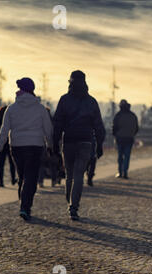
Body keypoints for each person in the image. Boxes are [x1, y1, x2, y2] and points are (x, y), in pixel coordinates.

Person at [0, 77, 53, 221]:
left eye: (20, 88)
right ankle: (25, 207)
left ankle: (23, 205)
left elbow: (4, 130)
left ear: (22, 90)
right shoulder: (40, 108)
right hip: (35, 146)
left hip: (17, 147)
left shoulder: (11, 109)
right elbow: (48, 130)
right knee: (31, 178)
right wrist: (50, 146)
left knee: (22, 177)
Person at [53, 70, 106, 221]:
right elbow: (98, 126)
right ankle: (73, 206)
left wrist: (55, 144)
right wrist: (100, 145)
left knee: (69, 174)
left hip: (68, 140)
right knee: (78, 175)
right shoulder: (91, 101)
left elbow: (57, 123)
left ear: (70, 82)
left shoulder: (64, 100)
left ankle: (69, 202)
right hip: (85, 141)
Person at [112, 99, 139, 179]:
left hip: (120, 138)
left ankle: (120, 172)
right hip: (129, 139)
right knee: (127, 156)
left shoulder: (118, 115)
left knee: (120, 156)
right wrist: (132, 134)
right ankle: (125, 172)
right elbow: (136, 128)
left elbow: (114, 127)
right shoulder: (133, 115)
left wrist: (115, 135)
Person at [0, 105, 17, 187]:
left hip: (2, 143)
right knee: (12, 162)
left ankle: (1, 182)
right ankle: (13, 179)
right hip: (9, 143)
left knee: (1, 163)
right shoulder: (9, 119)